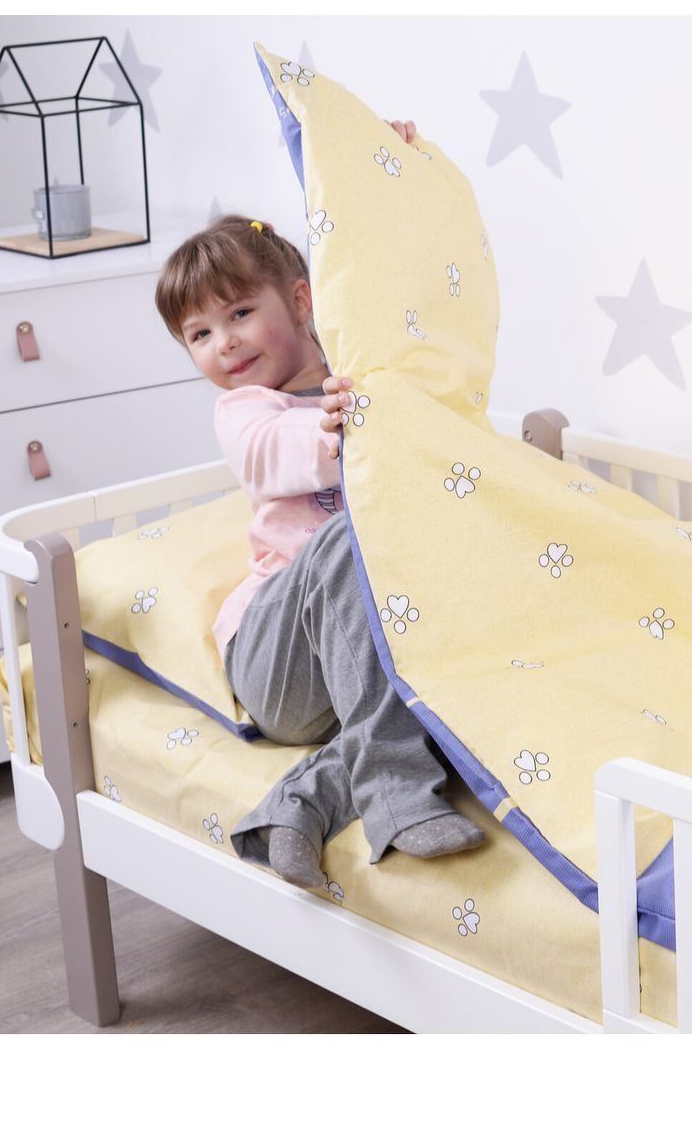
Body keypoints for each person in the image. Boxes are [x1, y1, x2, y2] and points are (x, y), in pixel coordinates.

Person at [153, 119, 484, 889]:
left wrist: (382, 170)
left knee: (455, 684)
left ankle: (295, 806)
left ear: (300, 301)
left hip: (363, 656)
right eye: (199, 334)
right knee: (345, 541)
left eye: (240, 314)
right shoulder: (247, 412)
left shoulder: (355, 364)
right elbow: (275, 451)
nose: (224, 344)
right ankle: (394, 795)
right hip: (277, 658)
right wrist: (334, 431)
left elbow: (389, 280)